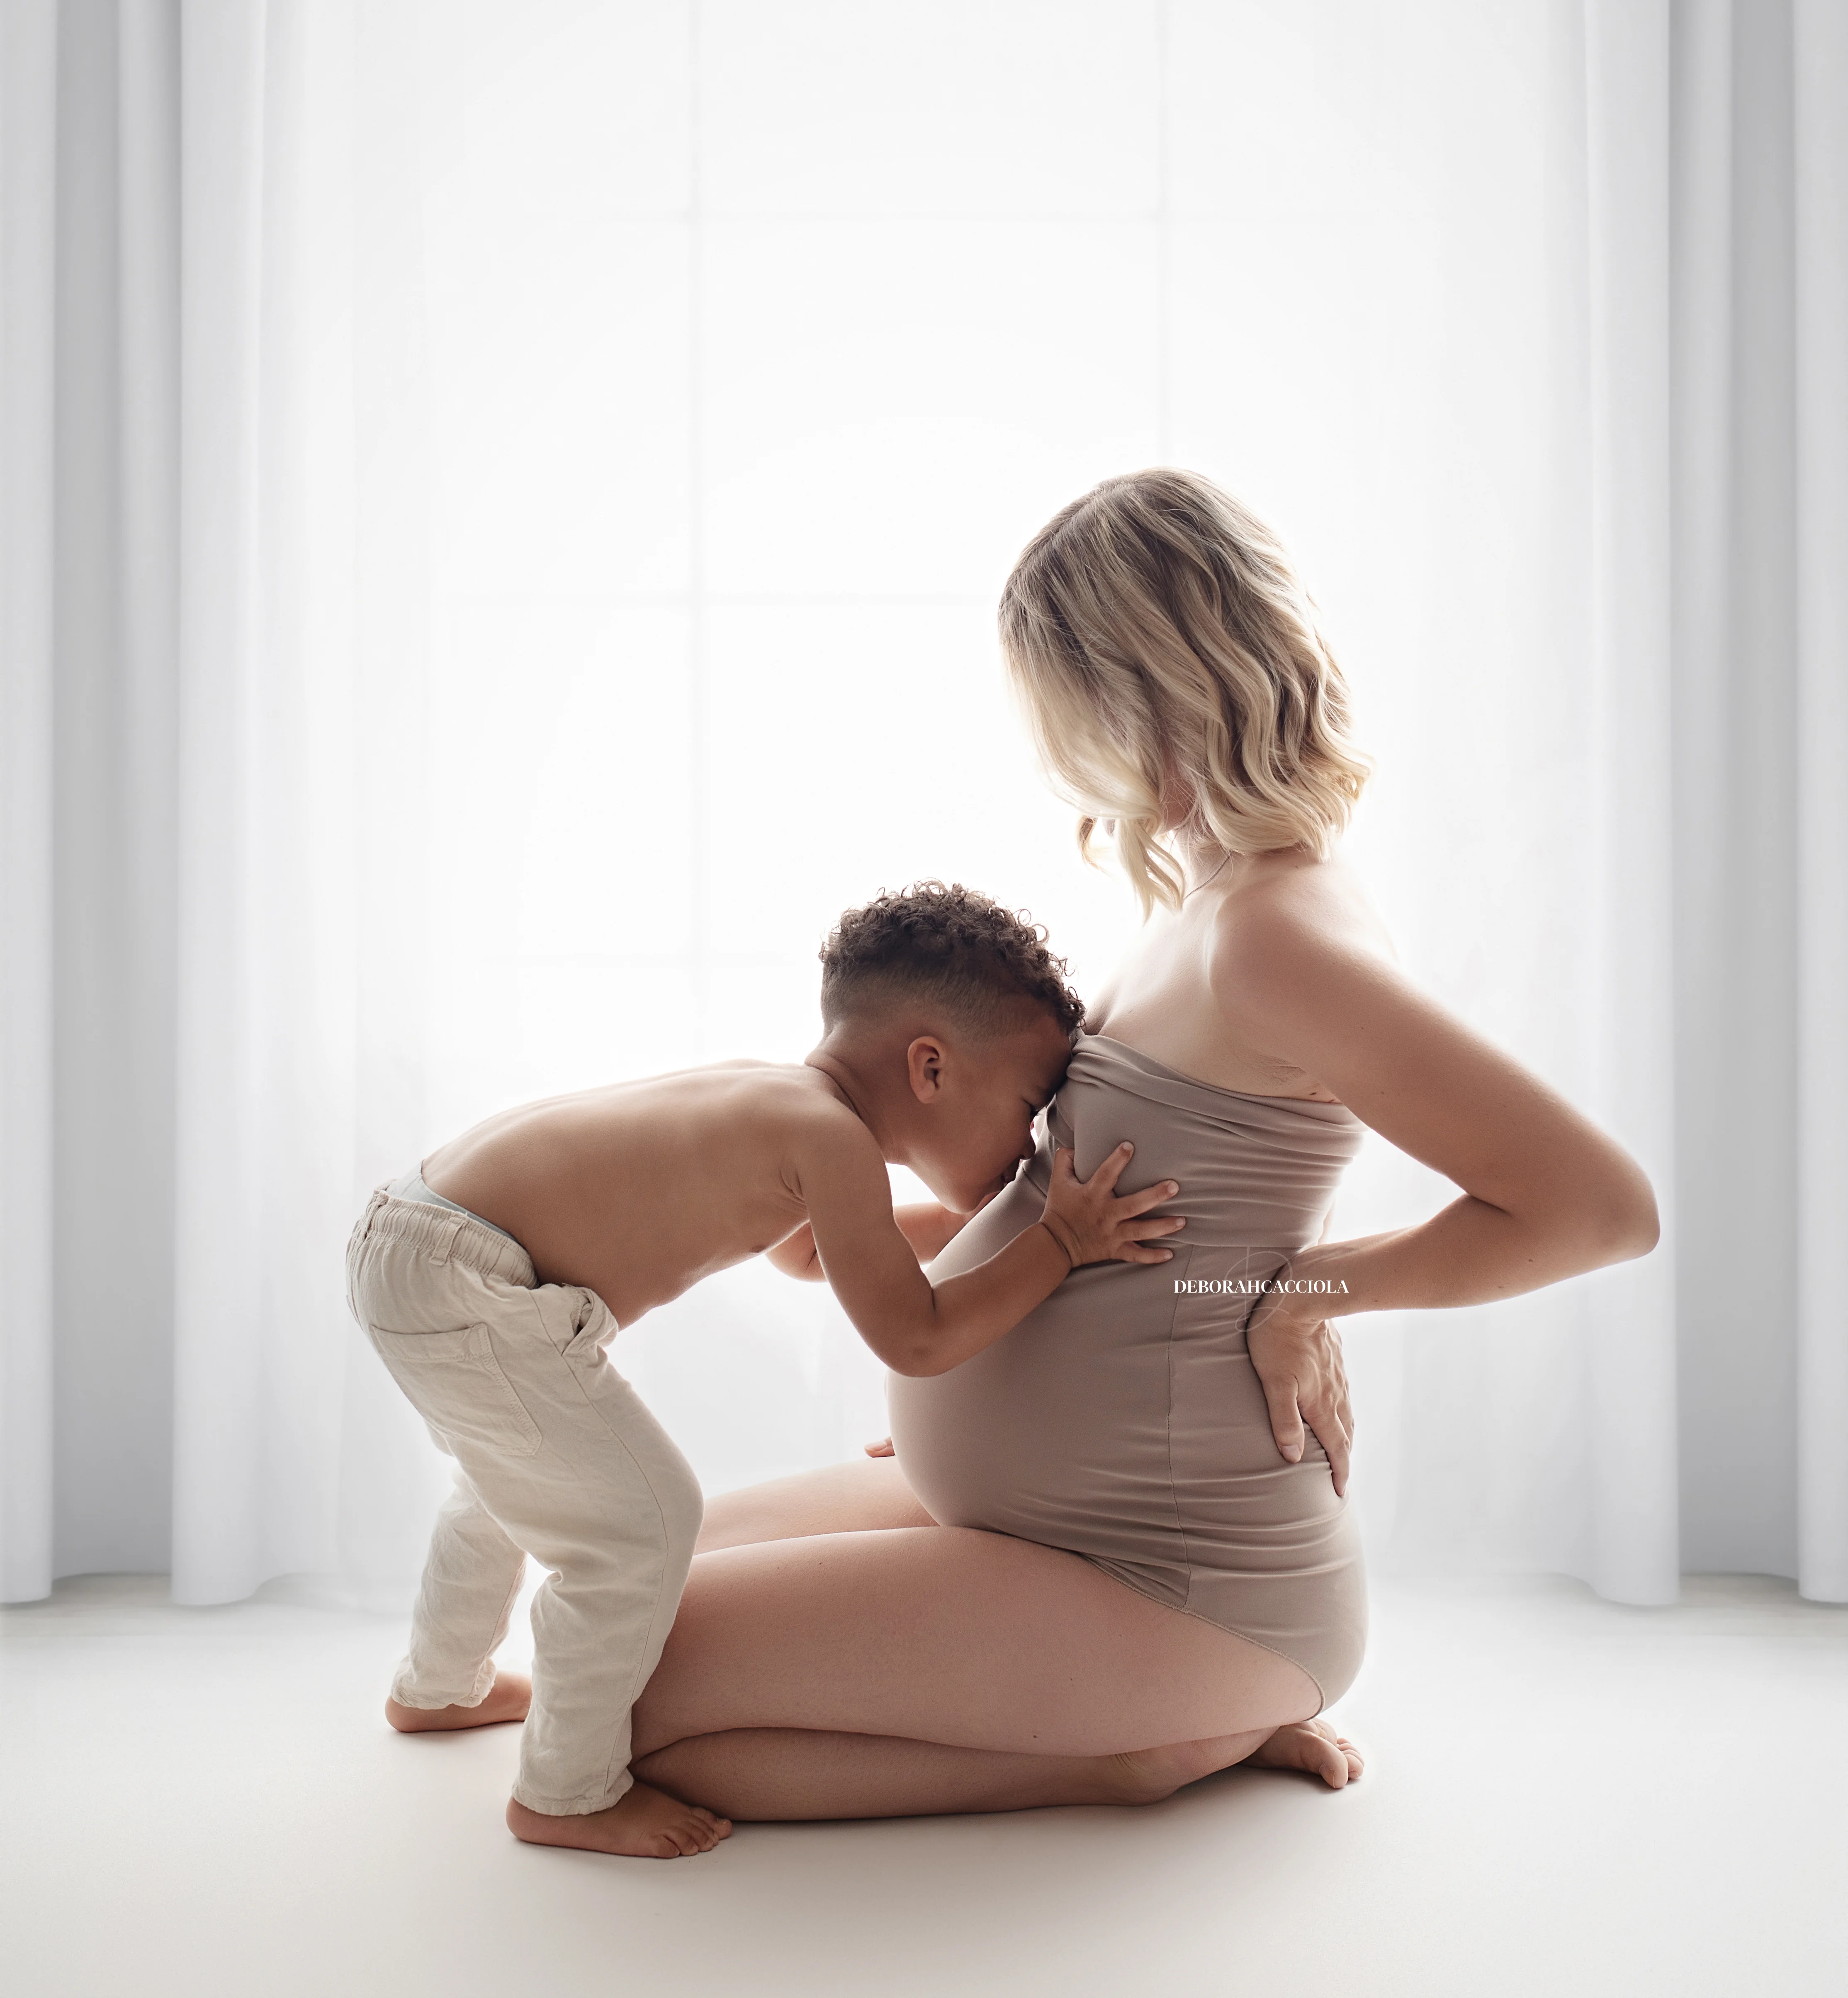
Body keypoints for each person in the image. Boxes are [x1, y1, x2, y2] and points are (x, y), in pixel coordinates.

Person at [605, 469, 1659, 1826]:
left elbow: (1594, 1206)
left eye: (1083, 724)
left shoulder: (1276, 935)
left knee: (620, 1697)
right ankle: (1169, 1717)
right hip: (1034, 1525)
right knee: (606, 1592)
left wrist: (1308, 1296)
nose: (1080, 770)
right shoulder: (1205, 902)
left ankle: (1150, 1741)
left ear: (1158, 693)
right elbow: (1129, 1204)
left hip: (1164, 1579)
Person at [345, 884, 1182, 1859]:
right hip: (464, 1274)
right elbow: (915, 1337)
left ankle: (440, 1686)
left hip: (420, 1242)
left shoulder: (788, 1104)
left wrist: (983, 1229)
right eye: (1031, 1106)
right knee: (642, 1520)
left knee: (504, 1485)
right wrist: (1059, 1244)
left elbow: (816, 1253)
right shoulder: (824, 1137)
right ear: (930, 1066)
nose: (1030, 1142)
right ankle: (563, 1790)